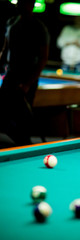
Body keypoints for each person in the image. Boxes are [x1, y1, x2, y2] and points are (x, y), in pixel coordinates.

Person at [0, 0, 49, 146]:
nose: (20, 5)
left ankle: (24, 146)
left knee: (22, 119)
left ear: (32, 5)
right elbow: (5, 49)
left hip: (27, 77)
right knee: (2, 112)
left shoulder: (39, 28)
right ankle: (15, 144)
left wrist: (28, 84)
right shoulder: (11, 22)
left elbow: (43, 58)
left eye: (24, 2)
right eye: (20, 2)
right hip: (11, 76)